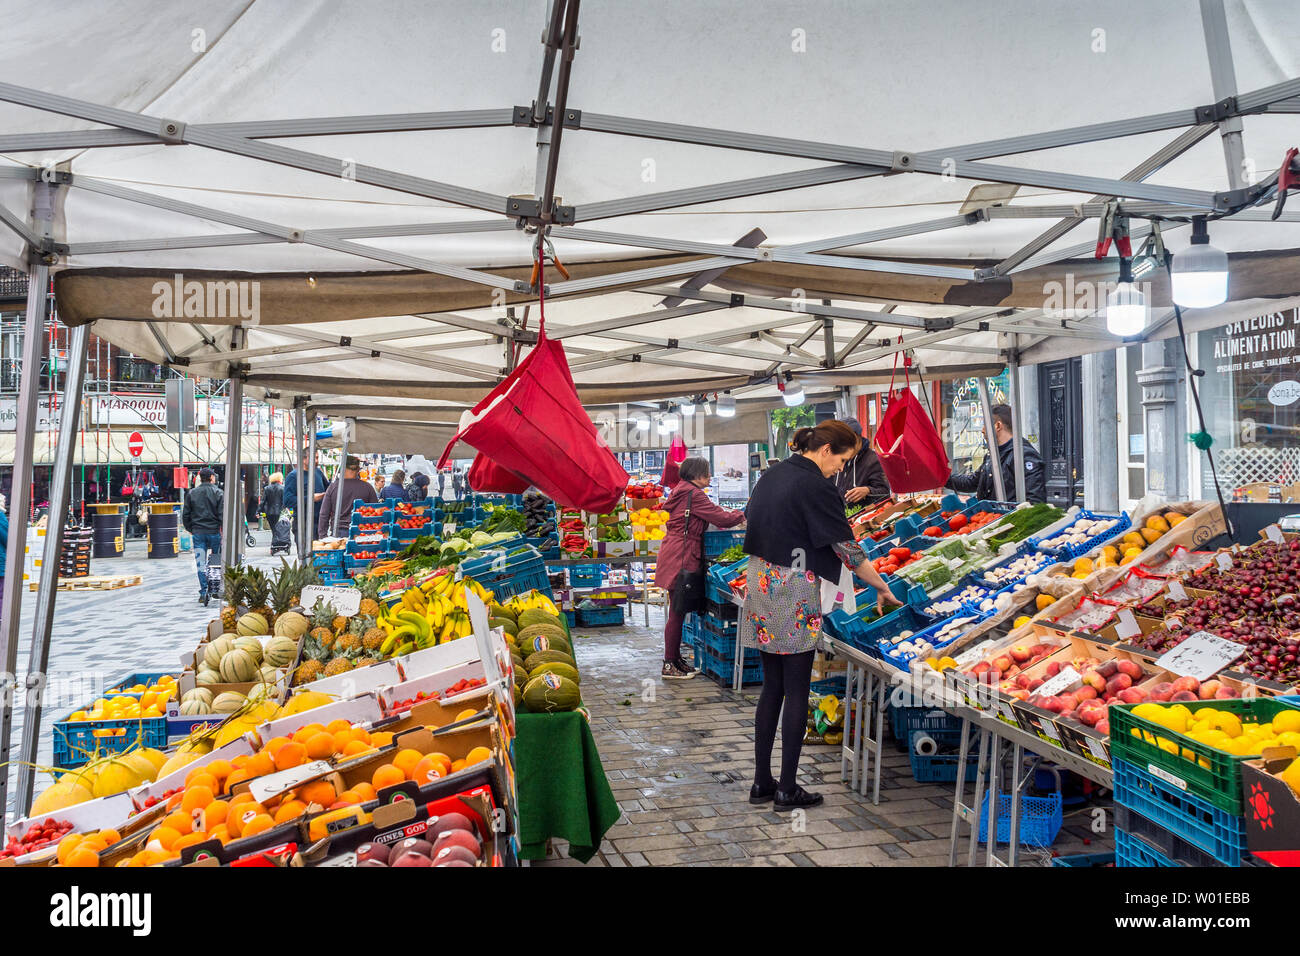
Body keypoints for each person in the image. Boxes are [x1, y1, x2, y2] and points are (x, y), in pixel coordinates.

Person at [741, 421, 902, 811]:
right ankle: (788, 789)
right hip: (793, 589)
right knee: (797, 689)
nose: (840, 471)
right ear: (827, 449)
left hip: (760, 581)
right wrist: (880, 585)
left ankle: (763, 781)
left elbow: (752, 518)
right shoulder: (816, 485)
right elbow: (846, 548)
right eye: (842, 461)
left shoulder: (772, 474)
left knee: (772, 688)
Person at [654, 458, 746, 680]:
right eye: (706, 473)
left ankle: (675, 660)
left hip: (676, 551)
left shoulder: (683, 491)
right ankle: (669, 664)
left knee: (678, 609)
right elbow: (719, 516)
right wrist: (745, 514)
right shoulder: (694, 494)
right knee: (677, 611)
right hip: (681, 555)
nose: (709, 477)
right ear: (697, 474)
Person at [947, 403, 1046, 503]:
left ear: (998, 426)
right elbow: (971, 482)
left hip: (1009, 517)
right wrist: (942, 477)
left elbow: (1035, 500)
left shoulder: (1024, 455)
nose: (982, 430)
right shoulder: (991, 456)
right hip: (990, 517)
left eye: (985, 425)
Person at [182, 467, 223, 606]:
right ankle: (215, 588)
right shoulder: (218, 493)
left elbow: (185, 515)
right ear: (211, 477)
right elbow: (222, 514)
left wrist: (191, 529)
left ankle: (204, 590)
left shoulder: (192, 493)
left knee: (201, 562)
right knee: (216, 560)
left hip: (198, 533)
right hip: (214, 532)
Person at [318, 455, 380, 538]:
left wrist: (323, 536)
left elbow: (324, 514)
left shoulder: (333, 487)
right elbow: (376, 513)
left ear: (342, 468)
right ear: (358, 469)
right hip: (362, 533)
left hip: (338, 533)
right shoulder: (367, 488)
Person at [834, 417, 891, 505]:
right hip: (841, 516)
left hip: (865, 516)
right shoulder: (837, 459)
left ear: (857, 436)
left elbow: (885, 493)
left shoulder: (873, 460)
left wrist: (868, 491)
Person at [284, 452, 328, 547]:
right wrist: (310, 499)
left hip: (320, 523)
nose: (317, 461)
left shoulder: (318, 472)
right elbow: (287, 501)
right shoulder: (293, 476)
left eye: (317, 458)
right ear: (304, 459)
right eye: (314, 458)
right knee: (306, 558)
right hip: (303, 524)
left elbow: (329, 489)